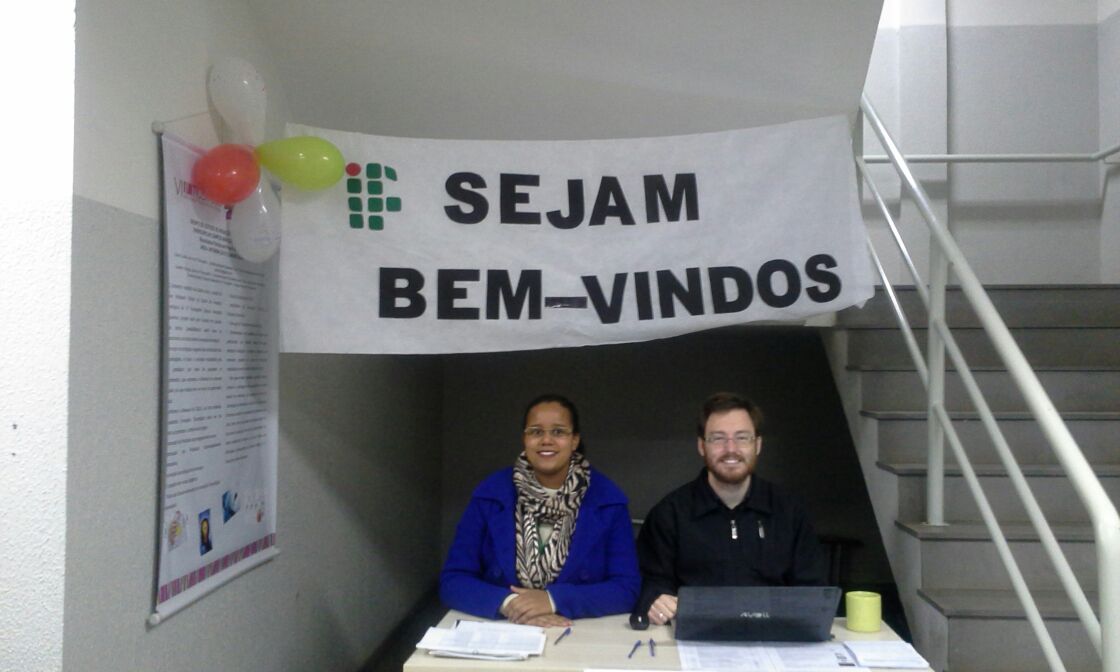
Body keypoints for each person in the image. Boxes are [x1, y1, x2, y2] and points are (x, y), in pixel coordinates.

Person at [439, 394, 640, 627]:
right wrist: (510, 603)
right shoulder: (491, 495)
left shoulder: (608, 500)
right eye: (535, 432)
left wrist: (553, 600)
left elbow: (627, 588)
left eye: (558, 432)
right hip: (502, 628)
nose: (546, 440)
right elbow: (453, 580)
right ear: (524, 439)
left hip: (576, 630)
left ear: (574, 440)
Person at [636, 392, 827, 626]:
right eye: (718, 438)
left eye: (742, 438)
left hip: (774, 636)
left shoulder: (789, 512)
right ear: (701, 446)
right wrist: (655, 600)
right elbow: (650, 585)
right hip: (694, 637)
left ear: (757, 445)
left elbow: (812, 591)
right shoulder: (669, 514)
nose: (731, 449)